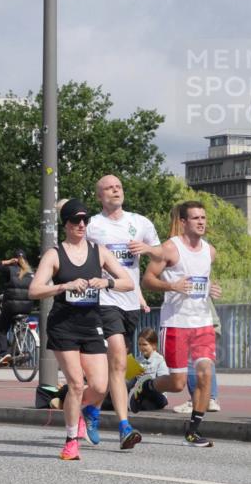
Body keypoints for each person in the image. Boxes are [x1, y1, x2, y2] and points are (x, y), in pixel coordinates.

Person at [28, 199, 133, 460]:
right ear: (66, 224)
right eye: (76, 220)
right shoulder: (55, 254)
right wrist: (63, 286)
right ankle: (71, 441)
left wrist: (105, 282)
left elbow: (128, 282)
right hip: (63, 325)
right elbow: (34, 290)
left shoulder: (99, 251)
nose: (81, 225)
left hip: (91, 324)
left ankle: (82, 410)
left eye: (85, 220)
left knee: (100, 386)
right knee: (76, 384)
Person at [135, 201, 222, 447]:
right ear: (183, 222)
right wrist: (171, 285)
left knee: (205, 373)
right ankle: (146, 385)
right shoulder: (169, 249)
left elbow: (202, 280)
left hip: (202, 322)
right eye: (195, 218)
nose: (201, 222)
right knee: (177, 383)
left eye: (203, 217)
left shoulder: (210, 251)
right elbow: (148, 280)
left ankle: (193, 430)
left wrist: (210, 289)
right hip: (175, 323)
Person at [84, 174, 161, 448]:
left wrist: (148, 249)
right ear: (99, 196)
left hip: (130, 301)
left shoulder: (139, 223)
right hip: (104, 300)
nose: (115, 191)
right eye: (108, 188)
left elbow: (162, 254)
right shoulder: (93, 225)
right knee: (117, 360)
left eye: (118, 187)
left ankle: (90, 408)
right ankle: (124, 426)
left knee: (111, 372)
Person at [0, 249, 35, 367]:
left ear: (15, 259)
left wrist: (8, 261)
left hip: (11, 307)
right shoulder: (31, 273)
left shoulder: (10, 270)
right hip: (27, 308)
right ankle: (14, 351)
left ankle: (5, 353)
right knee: (15, 328)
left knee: (1, 329)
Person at [177, 298, 222, 413]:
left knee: (191, 360)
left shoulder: (185, 284)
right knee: (205, 361)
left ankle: (196, 400)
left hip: (199, 324)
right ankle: (211, 399)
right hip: (210, 321)